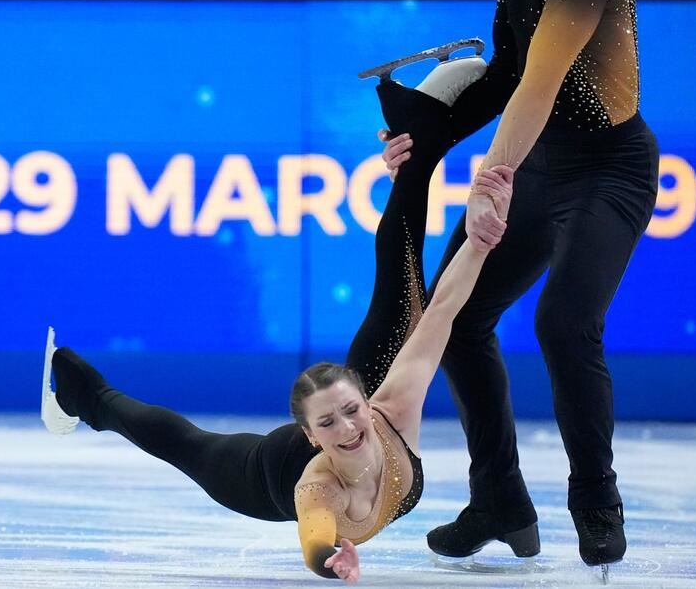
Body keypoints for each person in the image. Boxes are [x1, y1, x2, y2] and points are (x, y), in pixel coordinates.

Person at [45, 117, 516, 583]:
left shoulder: (391, 409)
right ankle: (88, 395)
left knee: (404, 311)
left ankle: (411, 160)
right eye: (328, 424)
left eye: (352, 411)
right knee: (184, 443)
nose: (349, 428)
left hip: (351, 396)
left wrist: (480, 242)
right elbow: (314, 540)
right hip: (262, 476)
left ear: (368, 403)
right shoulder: (317, 486)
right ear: (310, 435)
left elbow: (442, 314)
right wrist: (329, 561)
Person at [379, 0, 659, 570]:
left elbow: (544, 78)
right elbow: (509, 71)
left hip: (608, 168)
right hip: (539, 164)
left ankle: (597, 500)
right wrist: (424, 138)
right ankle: (499, 497)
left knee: (564, 322)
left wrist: (490, 177)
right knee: (455, 315)